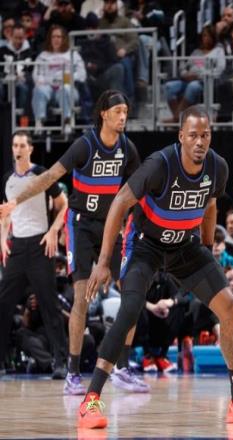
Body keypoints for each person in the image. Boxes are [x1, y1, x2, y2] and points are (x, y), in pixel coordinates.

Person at [78, 105, 233, 429]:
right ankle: (90, 401)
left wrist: (207, 249)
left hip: (184, 246)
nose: (199, 141)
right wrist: (103, 262)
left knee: (230, 306)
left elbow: (210, 204)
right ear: (181, 136)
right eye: (193, 135)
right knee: (130, 310)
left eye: (205, 135)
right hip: (145, 246)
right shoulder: (159, 165)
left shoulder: (217, 167)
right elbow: (119, 203)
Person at [0, 90, 143, 395]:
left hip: (110, 226)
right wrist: (15, 201)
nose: (123, 117)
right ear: (103, 113)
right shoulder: (85, 145)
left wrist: (130, 224)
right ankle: (73, 373)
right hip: (81, 225)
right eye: (117, 111)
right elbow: (50, 176)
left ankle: (122, 367)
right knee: (81, 297)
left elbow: (138, 190)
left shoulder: (127, 148)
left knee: (132, 293)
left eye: (125, 112)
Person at [0, 131, 68, 379]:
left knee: (49, 305)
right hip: (17, 247)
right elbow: (5, 214)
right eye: (14, 145)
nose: (17, 149)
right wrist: (2, 240)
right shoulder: (7, 179)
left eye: (22, 145)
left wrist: (53, 231)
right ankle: (2, 361)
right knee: (4, 303)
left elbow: (63, 205)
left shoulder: (42, 174)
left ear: (30, 149)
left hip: (40, 244)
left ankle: (61, 362)